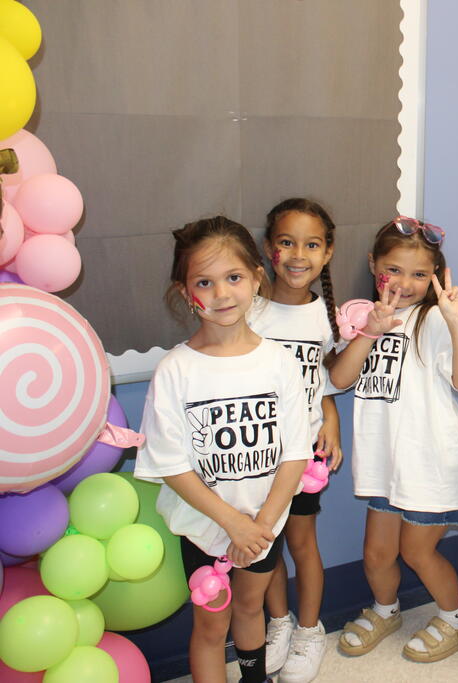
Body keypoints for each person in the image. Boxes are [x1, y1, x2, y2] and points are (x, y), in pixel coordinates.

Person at [135, 216, 310, 683]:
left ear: (256, 277)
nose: (221, 294)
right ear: (185, 292)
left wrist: (261, 525)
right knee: (212, 626)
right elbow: (171, 466)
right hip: (206, 526)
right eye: (204, 283)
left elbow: (295, 453)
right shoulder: (175, 370)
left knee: (251, 609)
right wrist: (233, 523)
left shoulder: (279, 362)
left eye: (233, 277)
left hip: (265, 524)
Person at [330, 217, 458, 663]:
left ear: (434, 275)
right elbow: (339, 378)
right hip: (387, 464)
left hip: (433, 463)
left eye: (419, 274)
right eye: (393, 270)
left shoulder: (434, 319)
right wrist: (370, 330)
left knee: (417, 551)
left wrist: (457, 322)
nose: (405, 283)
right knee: (376, 554)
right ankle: (386, 610)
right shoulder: (363, 318)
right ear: (373, 264)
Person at [250, 198, 344, 682]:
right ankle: (279, 623)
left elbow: (319, 382)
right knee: (264, 546)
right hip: (255, 454)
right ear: (269, 248)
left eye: (311, 245)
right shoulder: (248, 309)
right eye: (286, 243)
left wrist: (332, 418)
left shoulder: (327, 317)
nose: (297, 255)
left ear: (327, 253)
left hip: (302, 456)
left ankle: (309, 629)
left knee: (302, 543)